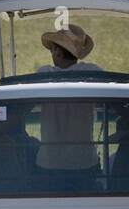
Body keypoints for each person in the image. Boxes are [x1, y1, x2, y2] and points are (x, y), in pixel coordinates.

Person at [34, 25, 102, 178]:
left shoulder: (42, 75)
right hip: (84, 162)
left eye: (52, 49)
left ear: (57, 52)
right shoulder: (92, 73)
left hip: (48, 163)